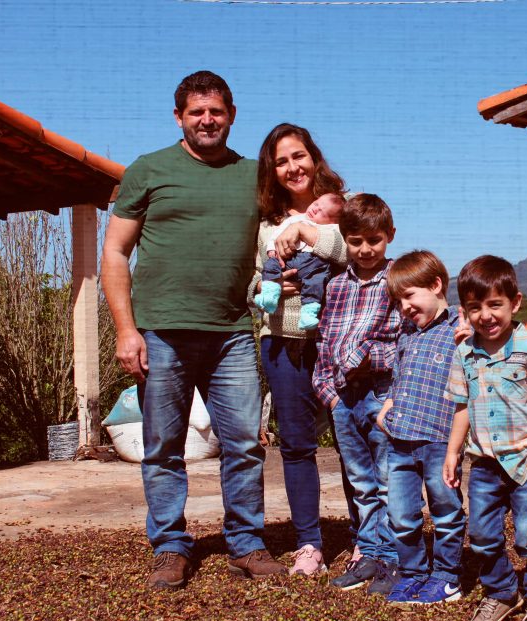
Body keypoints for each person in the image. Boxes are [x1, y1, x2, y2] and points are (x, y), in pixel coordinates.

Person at [101, 70, 280, 589]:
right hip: (160, 331)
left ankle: (245, 543)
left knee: (245, 443)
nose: (207, 120)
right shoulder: (148, 170)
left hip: (231, 333)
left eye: (216, 111)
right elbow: (114, 251)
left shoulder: (253, 176)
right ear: (179, 116)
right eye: (197, 111)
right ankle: (171, 547)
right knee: (163, 447)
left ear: (231, 115)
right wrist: (125, 331)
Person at [442, 255, 527, 621]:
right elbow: (462, 407)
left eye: (494, 304)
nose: (485, 315)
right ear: (465, 310)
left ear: (515, 302)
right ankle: (501, 591)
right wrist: (453, 453)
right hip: (483, 464)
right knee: (480, 536)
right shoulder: (464, 354)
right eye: (475, 307)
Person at [255, 123, 350, 576]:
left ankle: (369, 538)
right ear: (271, 172)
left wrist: (308, 235)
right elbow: (251, 281)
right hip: (283, 340)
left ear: (314, 157)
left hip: (342, 343)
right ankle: (309, 542)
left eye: (299, 156)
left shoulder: (343, 208)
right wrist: (273, 282)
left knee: (356, 441)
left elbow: (359, 252)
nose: (293, 167)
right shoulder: (264, 225)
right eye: (281, 161)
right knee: (296, 445)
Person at [313, 193, 401, 596]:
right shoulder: (335, 286)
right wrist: (327, 391)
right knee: (361, 481)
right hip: (344, 399)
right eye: (355, 241)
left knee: (388, 479)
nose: (365, 249)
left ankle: (396, 558)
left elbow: (407, 339)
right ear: (344, 239)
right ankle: (369, 551)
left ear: (390, 236)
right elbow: (325, 340)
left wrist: (370, 359)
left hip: (383, 394)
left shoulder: (400, 281)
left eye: (374, 240)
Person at [375, 250, 466, 605]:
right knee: (400, 513)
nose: (405, 307)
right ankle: (413, 572)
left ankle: (446, 576)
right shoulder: (407, 335)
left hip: (440, 441)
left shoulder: (459, 330)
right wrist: (387, 406)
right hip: (400, 440)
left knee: (445, 509)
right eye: (399, 302)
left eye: (410, 296)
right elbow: (400, 377)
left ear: (436, 285)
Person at [254, 192, 345, 331]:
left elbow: (350, 251)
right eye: (316, 204)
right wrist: (259, 286)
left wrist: (302, 230)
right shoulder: (279, 221)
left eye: (322, 211)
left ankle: (309, 313)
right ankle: (269, 295)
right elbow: (274, 238)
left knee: (316, 280)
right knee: (271, 264)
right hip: (275, 330)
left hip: (326, 329)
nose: (315, 209)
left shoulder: (337, 220)